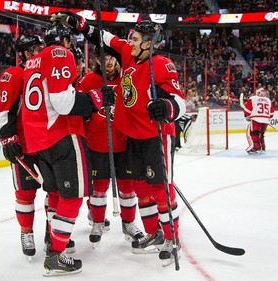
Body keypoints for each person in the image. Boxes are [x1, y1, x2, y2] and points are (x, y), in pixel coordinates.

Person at [55, 12, 186, 266]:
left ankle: (173, 239)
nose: (130, 42)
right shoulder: (128, 54)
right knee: (141, 189)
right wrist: (81, 25)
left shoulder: (160, 64)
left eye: (135, 39)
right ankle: (154, 233)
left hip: (155, 136)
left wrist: (167, 107)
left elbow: (179, 100)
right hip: (133, 137)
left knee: (160, 189)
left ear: (148, 43)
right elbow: (104, 38)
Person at [19, 24, 114, 276]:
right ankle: (55, 255)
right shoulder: (60, 54)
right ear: (67, 42)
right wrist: (96, 99)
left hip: (39, 140)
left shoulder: (32, 62)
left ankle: (53, 241)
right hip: (62, 135)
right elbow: (64, 103)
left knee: (57, 194)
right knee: (72, 197)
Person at [76, 50, 144, 247]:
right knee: (98, 188)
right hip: (96, 143)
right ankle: (97, 223)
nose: (108, 61)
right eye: (103, 58)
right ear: (97, 60)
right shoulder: (89, 80)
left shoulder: (126, 79)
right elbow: (80, 110)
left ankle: (129, 224)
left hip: (123, 142)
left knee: (127, 188)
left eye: (112, 57)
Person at [0, 35, 47, 261]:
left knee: (54, 191)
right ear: (26, 53)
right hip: (25, 145)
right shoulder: (15, 74)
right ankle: (26, 233)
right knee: (25, 194)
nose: (41, 52)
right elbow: (4, 110)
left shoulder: (46, 73)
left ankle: (53, 231)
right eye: (37, 49)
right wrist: (8, 138)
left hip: (48, 144)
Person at [242, 87, 274, 154]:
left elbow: (247, 110)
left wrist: (247, 116)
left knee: (253, 133)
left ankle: (255, 147)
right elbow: (271, 114)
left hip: (256, 119)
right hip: (265, 120)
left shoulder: (253, 98)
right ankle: (262, 147)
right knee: (261, 134)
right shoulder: (268, 100)